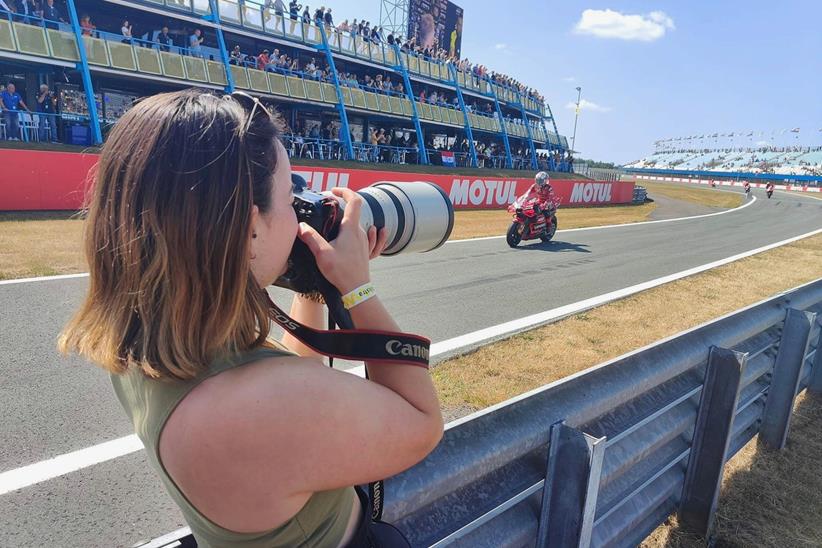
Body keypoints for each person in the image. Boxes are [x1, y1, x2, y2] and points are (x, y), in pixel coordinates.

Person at [58, 89, 443, 547]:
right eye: (289, 195)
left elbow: (293, 381)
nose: (300, 210)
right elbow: (419, 424)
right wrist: (357, 288)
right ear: (248, 229)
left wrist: (311, 286)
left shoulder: (151, 333)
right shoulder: (255, 409)